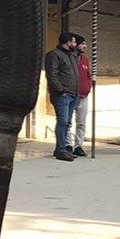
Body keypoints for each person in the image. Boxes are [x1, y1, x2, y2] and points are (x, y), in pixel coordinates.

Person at [44, 32, 79, 162]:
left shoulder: (71, 55)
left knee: (67, 123)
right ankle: (61, 150)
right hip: (62, 95)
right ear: (68, 42)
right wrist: (61, 90)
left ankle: (61, 148)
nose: (75, 44)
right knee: (63, 121)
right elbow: (52, 74)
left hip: (73, 94)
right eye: (73, 42)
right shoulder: (54, 55)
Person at [70, 34, 92, 158]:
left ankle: (78, 145)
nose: (85, 46)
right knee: (67, 122)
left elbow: (88, 75)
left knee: (81, 122)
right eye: (83, 44)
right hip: (71, 94)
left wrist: (88, 87)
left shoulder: (85, 60)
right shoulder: (69, 58)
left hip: (84, 95)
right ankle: (67, 145)